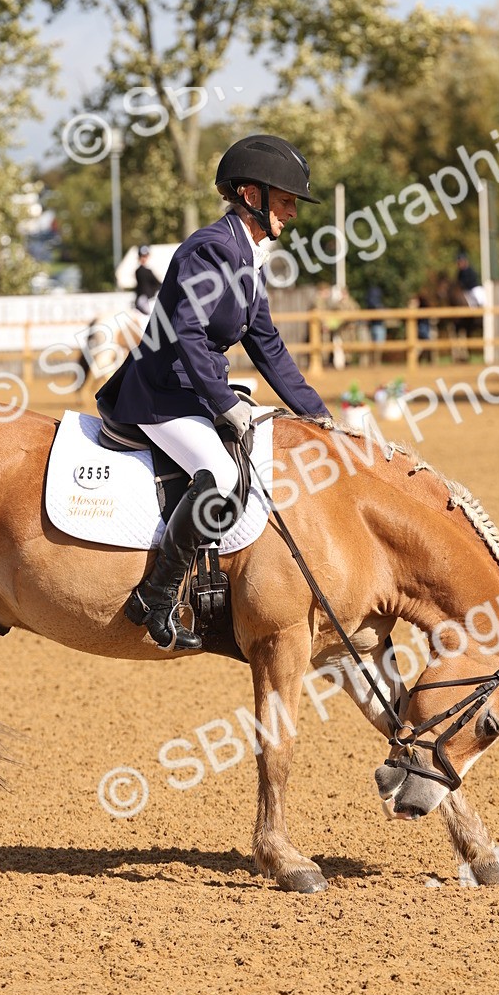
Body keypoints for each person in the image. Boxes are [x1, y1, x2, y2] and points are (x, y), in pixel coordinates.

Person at [96, 134, 331, 651]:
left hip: (194, 391)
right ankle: (154, 599)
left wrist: (321, 418)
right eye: (287, 201)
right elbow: (188, 333)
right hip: (160, 393)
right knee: (221, 474)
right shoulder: (210, 248)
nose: (292, 214)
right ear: (252, 195)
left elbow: (268, 346)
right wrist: (225, 404)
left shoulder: (247, 256)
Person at [134, 245, 161, 316]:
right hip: (145, 300)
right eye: (142, 256)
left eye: (145, 256)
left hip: (147, 299)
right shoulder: (142, 271)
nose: (144, 258)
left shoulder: (144, 270)